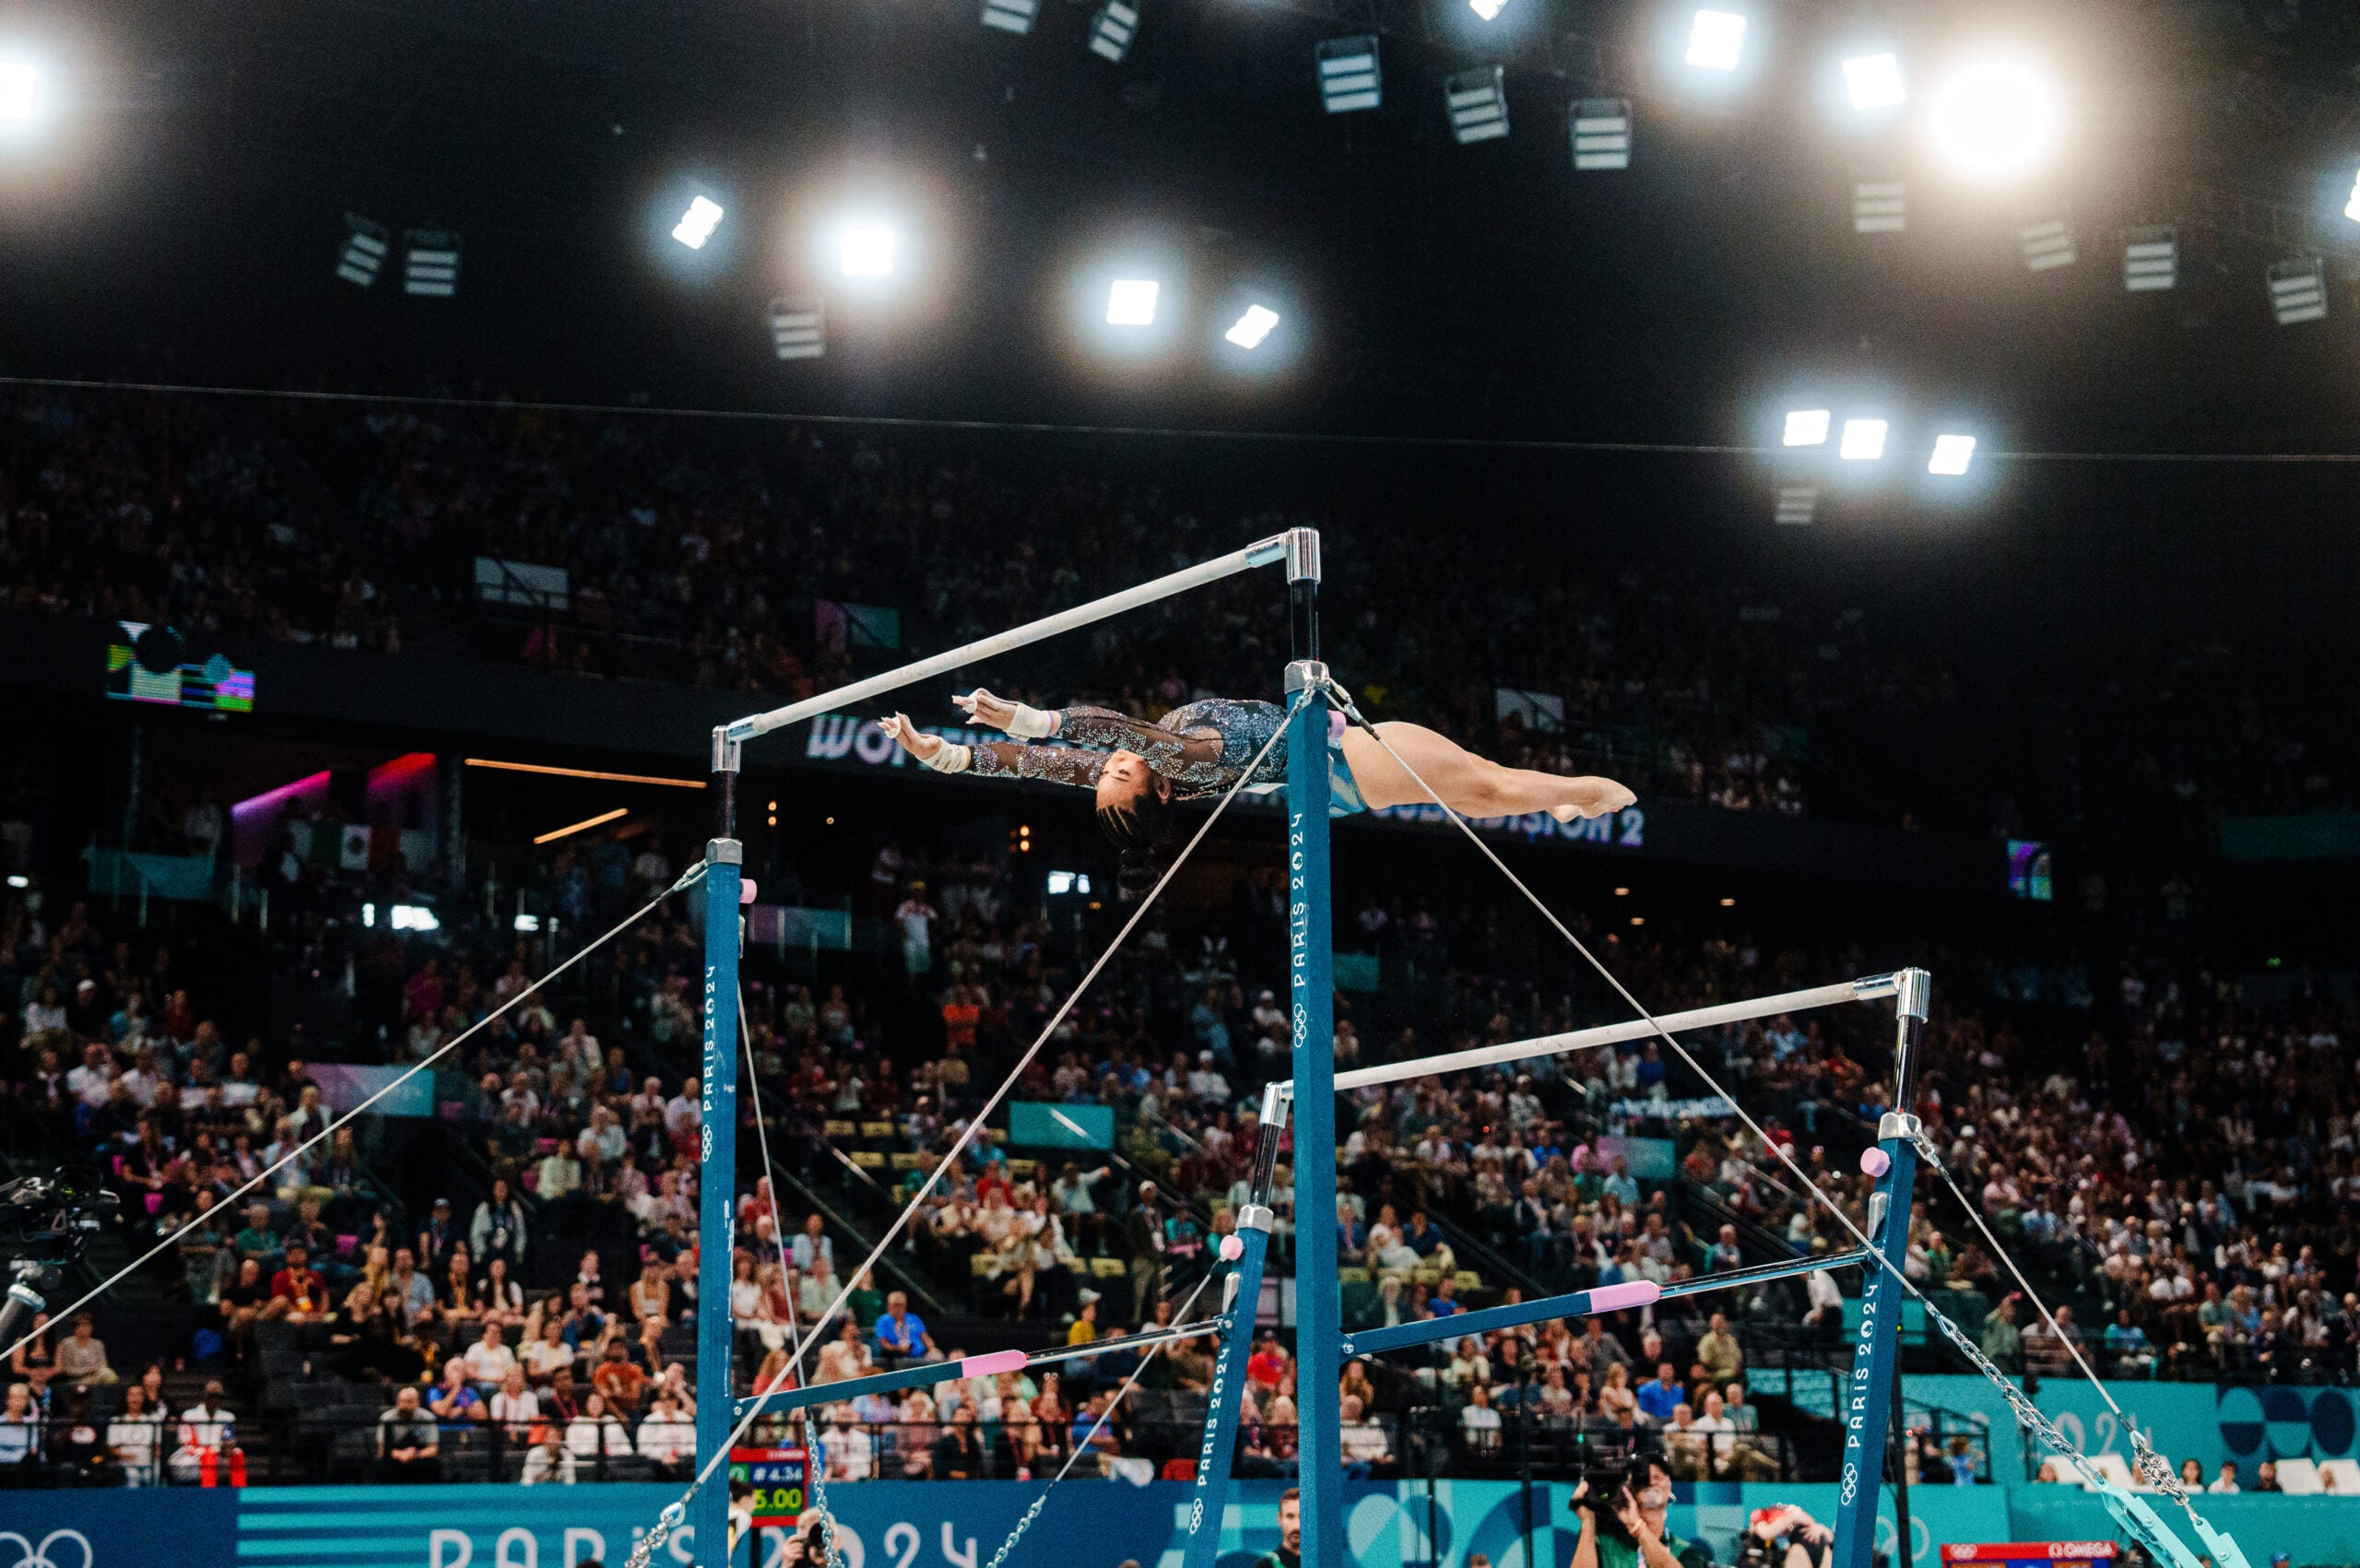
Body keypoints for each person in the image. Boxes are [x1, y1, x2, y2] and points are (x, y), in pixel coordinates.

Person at [882, 691, 1633, 891]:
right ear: (1159, 790)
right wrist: (1031, 715)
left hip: (1332, 769)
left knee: (1473, 791)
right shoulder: (1190, 759)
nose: (1108, 763)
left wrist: (940, 753)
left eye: (1105, 772)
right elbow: (1108, 728)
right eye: (1117, 771)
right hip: (1342, 761)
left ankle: (1558, 802)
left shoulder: (1141, 768)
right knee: (1487, 786)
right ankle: (1582, 792)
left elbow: (1028, 765)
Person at [1570, 1456, 1716, 1568]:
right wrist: (1588, 1521)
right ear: (1628, 1489)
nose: (1651, 1482)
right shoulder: (1602, 1543)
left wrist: (1638, 1526)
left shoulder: (1688, 1552)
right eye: (1643, 1479)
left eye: (1658, 1477)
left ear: (1670, 1488)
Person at [379, 1385, 441, 1480]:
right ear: (398, 1402)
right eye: (403, 1402)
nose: (406, 1406)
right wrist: (400, 1454)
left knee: (434, 1464)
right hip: (394, 1455)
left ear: (417, 1403)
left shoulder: (428, 1418)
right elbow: (382, 1450)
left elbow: (433, 1449)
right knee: (381, 1464)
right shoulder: (387, 1418)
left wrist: (415, 1454)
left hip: (419, 1456)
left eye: (410, 1402)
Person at [875, 1291, 940, 1365]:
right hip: (898, 1356)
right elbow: (884, 1344)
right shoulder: (882, 1321)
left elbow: (925, 1337)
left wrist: (931, 1348)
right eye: (895, 1305)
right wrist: (898, 1348)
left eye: (901, 1305)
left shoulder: (914, 1318)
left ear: (905, 1306)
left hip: (921, 1355)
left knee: (937, 1356)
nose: (898, 1308)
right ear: (889, 1306)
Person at [1255, 1487, 1301, 1568]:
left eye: (1302, 1517)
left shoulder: (1323, 1563)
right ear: (1280, 1519)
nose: (1297, 1525)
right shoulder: (1266, 1565)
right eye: (1290, 1516)